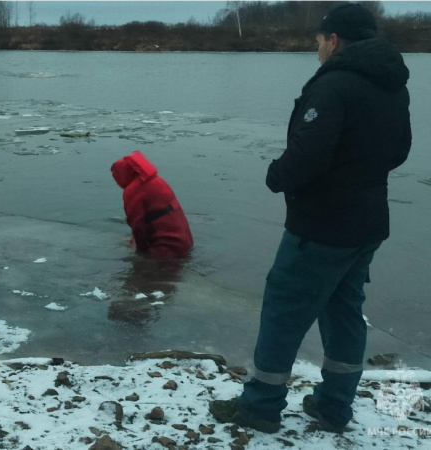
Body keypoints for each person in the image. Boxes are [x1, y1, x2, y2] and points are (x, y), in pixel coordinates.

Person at [209, 3, 411, 434]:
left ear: (333, 40)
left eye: (318, 41)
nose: (316, 48)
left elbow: (308, 153)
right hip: (368, 223)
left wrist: (276, 174)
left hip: (321, 225)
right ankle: (334, 406)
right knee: (344, 312)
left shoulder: (334, 85)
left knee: (283, 312)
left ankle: (260, 406)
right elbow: (399, 151)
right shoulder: (392, 85)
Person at [110, 150, 193, 259]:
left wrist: (140, 254)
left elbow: (137, 225)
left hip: (166, 250)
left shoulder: (134, 190)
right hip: (185, 242)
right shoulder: (157, 181)